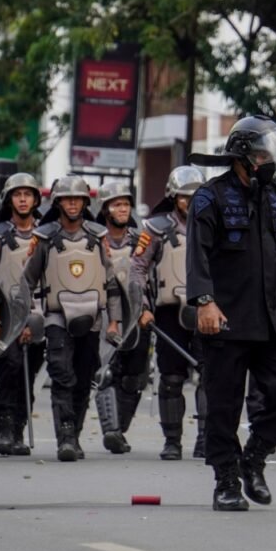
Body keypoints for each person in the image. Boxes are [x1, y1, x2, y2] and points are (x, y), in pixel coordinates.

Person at [187, 115, 276, 511]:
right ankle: (226, 479)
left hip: (271, 319)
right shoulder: (210, 197)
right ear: (241, 157)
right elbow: (197, 255)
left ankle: (254, 457)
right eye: (260, 155)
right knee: (223, 404)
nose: (268, 163)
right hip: (224, 318)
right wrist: (204, 301)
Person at [21, 176, 121, 461]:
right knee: (62, 375)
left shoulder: (98, 237)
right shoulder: (45, 238)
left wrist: (114, 321)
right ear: (59, 203)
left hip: (93, 319)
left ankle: (74, 434)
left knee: (83, 377)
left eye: (78, 198)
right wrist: (29, 315)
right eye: (67, 199)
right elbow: (27, 281)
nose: (73, 203)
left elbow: (112, 284)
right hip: (57, 318)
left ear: (86, 203)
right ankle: (64, 437)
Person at [129, 166, 207, 460]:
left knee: (209, 376)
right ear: (174, 197)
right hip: (168, 315)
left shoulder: (215, 227)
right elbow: (137, 268)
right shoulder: (155, 229)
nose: (191, 201)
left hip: (205, 312)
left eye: (196, 196)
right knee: (172, 377)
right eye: (185, 197)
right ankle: (172, 441)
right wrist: (142, 308)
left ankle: (206, 438)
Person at [0, 172, 44, 456]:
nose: (23, 200)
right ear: (9, 199)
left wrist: (35, 319)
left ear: (35, 199)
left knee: (27, 375)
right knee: (9, 369)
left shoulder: (46, 235)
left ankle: (18, 429)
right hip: (6, 315)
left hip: (37, 315)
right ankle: (4, 430)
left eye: (27, 194)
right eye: (17, 195)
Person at [94, 179, 151, 454]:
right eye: (117, 204)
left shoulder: (142, 241)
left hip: (138, 317)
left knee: (133, 378)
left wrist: (148, 308)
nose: (123, 209)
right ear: (105, 209)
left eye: (126, 204)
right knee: (105, 374)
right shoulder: (93, 240)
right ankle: (111, 429)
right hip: (105, 316)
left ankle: (120, 429)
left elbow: (151, 276)